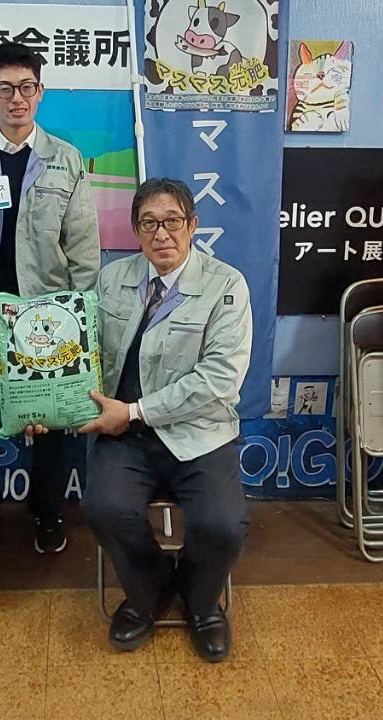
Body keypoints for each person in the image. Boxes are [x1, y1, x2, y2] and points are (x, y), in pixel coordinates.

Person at [0, 41, 100, 556]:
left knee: (50, 418)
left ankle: (48, 512)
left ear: (40, 92)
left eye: (27, 87)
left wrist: (82, 315)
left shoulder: (64, 160)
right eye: (5, 89)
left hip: (46, 313)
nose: (17, 98)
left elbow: (83, 245)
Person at [79, 177, 251, 662]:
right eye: (149, 223)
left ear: (193, 225)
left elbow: (219, 380)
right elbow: (83, 356)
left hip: (200, 433)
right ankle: (149, 592)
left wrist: (135, 410)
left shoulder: (226, 285)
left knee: (223, 524)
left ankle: (202, 602)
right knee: (105, 508)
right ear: (135, 230)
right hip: (126, 436)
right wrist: (50, 406)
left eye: (173, 221)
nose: (162, 234)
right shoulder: (111, 280)